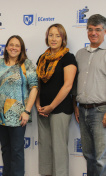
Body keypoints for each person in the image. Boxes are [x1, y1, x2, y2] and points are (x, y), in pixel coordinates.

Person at [0, 35, 38, 176]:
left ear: (21, 49)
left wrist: (27, 111)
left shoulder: (26, 64)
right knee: (6, 150)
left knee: (17, 152)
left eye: (17, 45)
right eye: (11, 44)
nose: (13, 47)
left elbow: (34, 88)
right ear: (7, 47)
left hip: (18, 115)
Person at [36, 23, 77, 176]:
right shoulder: (42, 58)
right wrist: (38, 104)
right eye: (51, 35)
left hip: (59, 109)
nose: (53, 39)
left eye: (57, 35)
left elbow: (68, 85)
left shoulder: (68, 57)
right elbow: (38, 84)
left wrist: (51, 106)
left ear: (63, 38)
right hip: (43, 110)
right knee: (44, 147)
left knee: (59, 149)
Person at [73, 14, 106, 176]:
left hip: (101, 112)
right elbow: (74, 84)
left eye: (98, 30)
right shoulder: (79, 54)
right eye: (90, 29)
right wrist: (75, 106)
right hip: (82, 110)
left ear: (104, 32)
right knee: (89, 155)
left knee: (101, 158)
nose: (94, 33)